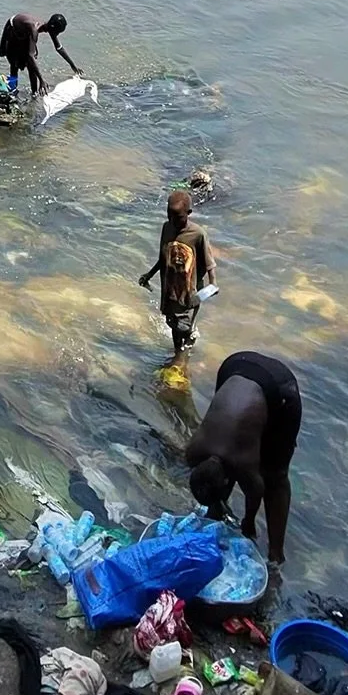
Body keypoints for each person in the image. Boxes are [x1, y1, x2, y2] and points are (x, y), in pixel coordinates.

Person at [187, 351, 301, 564]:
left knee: (275, 476)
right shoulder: (193, 452)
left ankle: (276, 556)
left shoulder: (241, 461)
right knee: (242, 432)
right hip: (236, 365)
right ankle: (215, 514)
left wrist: (248, 523)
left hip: (280, 385)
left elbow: (256, 491)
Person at [138, 188, 217, 356]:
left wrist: (213, 284)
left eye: (178, 217)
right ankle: (178, 351)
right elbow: (163, 257)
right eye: (170, 215)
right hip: (170, 288)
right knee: (172, 323)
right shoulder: (167, 228)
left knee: (183, 326)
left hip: (189, 290)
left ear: (188, 213)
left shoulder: (197, 234)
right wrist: (149, 275)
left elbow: (209, 262)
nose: (173, 221)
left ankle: (181, 355)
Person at [0, 11, 79, 95]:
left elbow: (59, 48)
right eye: (57, 32)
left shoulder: (49, 27)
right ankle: (12, 88)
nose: (57, 35)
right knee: (15, 63)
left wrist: (73, 66)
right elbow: (30, 55)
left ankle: (34, 93)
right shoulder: (34, 30)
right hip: (12, 28)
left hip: (24, 33)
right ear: (52, 27)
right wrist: (41, 79)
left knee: (31, 65)